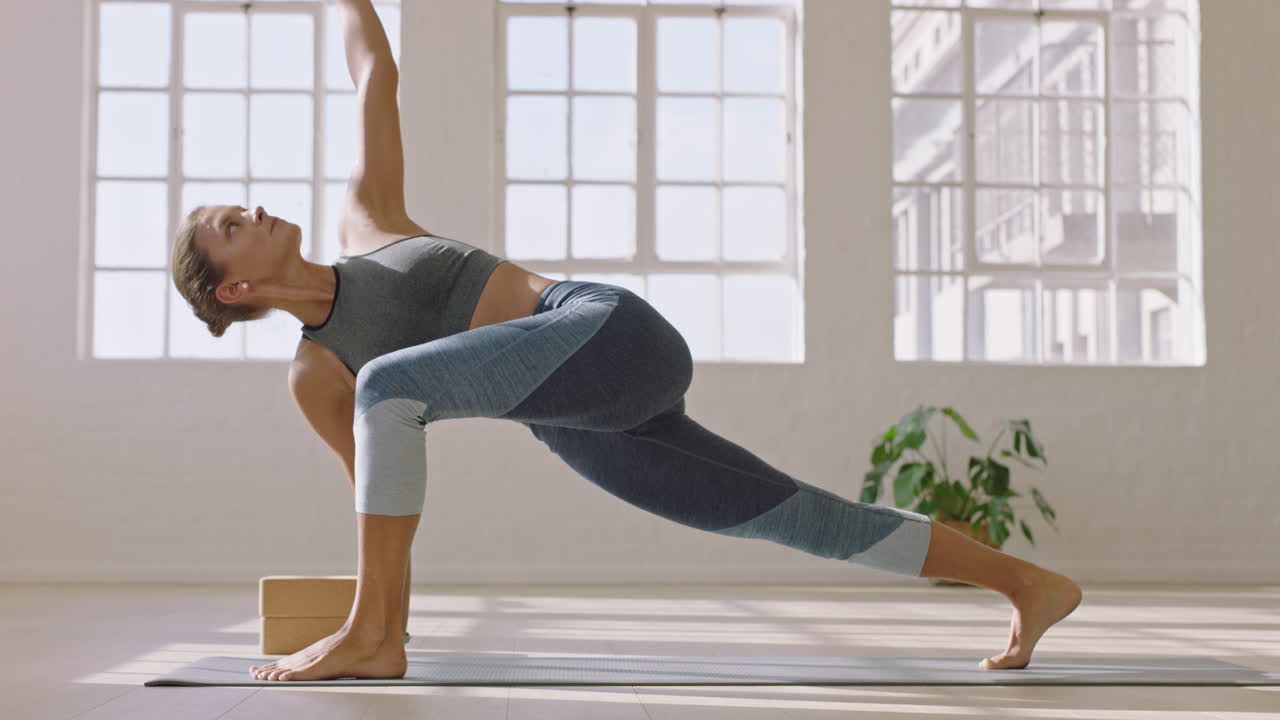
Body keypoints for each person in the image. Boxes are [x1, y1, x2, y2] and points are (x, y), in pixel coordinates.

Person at [169, 0, 1081, 683]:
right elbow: (378, 499)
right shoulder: (318, 373)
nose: (251, 207)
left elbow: (376, 71)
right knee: (795, 516)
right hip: (580, 416)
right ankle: (1028, 587)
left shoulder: (368, 224)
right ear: (235, 287)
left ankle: (368, 643)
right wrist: (393, 623)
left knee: (389, 389)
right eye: (229, 223)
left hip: (604, 331)